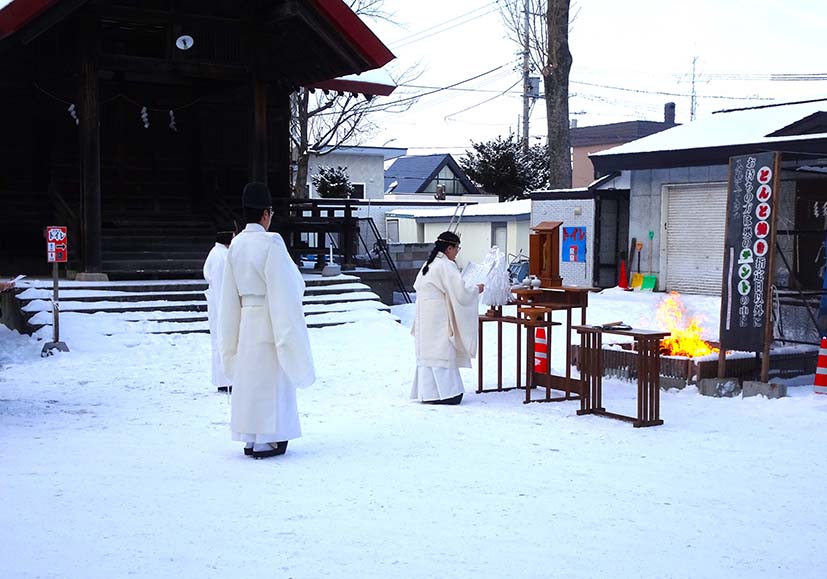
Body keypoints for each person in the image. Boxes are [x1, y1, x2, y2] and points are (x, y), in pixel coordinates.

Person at [219, 182, 315, 459]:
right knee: (272, 380)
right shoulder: (271, 243)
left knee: (249, 379)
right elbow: (287, 286)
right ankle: (271, 437)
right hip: (270, 318)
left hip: (245, 319)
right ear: (265, 214)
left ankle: (250, 437)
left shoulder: (235, 246)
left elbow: (228, 293)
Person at [410, 231, 483, 405]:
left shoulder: (429, 265)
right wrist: (475, 290)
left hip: (425, 313)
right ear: (449, 248)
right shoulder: (445, 266)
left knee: (430, 352)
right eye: (457, 247)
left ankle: (428, 393)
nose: (457, 251)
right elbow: (460, 292)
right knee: (441, 350)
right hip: (438, 315)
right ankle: (448, 394)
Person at [203, 224, 235, 393]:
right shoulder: (221, 257)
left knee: (220, 341)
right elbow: (223, 285)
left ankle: (225, 378)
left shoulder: (217, 253)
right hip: (220, 302)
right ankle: (225, 379)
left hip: (217, 301)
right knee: (223, 340)